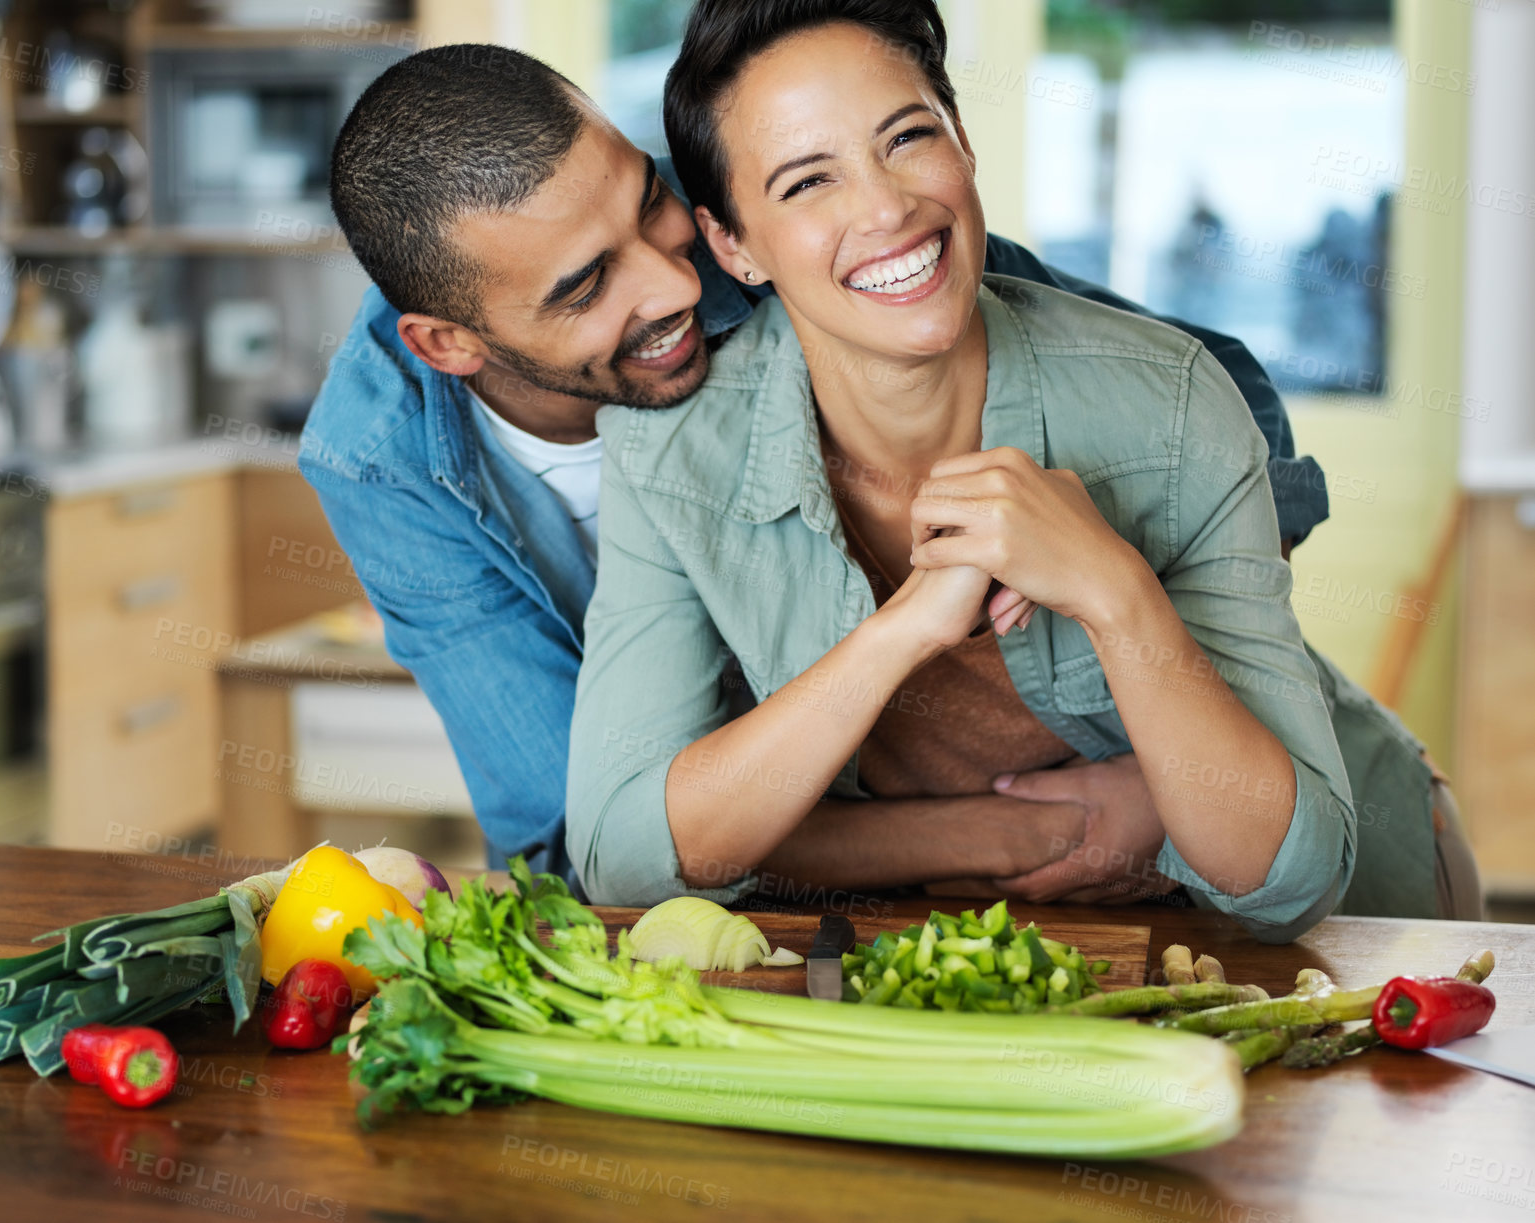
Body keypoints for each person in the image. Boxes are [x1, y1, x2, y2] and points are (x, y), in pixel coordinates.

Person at [304, 41, 1328, 898]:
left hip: (1055, 831)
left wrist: (1175, 597)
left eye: (648, 204)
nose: (670, 281)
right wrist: (1032, 830)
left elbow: (1172, 375)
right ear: (447, 343)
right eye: (585, 287)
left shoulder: (773, 213)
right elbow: (584, 838)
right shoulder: (378, 462)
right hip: (804, 889)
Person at [564, 0, 1482, 937]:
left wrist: (1113, 589)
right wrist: (912, 638)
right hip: (1002, 948)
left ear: (961, 140)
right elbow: (625, 855)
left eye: (907, 137)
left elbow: (1287, 878)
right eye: (807, 183)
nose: (884, 208)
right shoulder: (670, 454)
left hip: (1369, 921)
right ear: (733, 245)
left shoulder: (1170, 403)